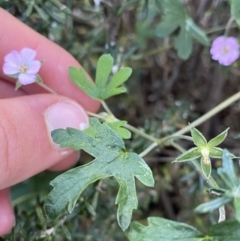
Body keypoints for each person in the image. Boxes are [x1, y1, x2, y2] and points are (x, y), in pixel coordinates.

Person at [0, 8, 100, 236]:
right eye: (21, 69)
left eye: (23, 67)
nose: (22, 69)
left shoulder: (28, 68)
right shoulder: (20, 71)